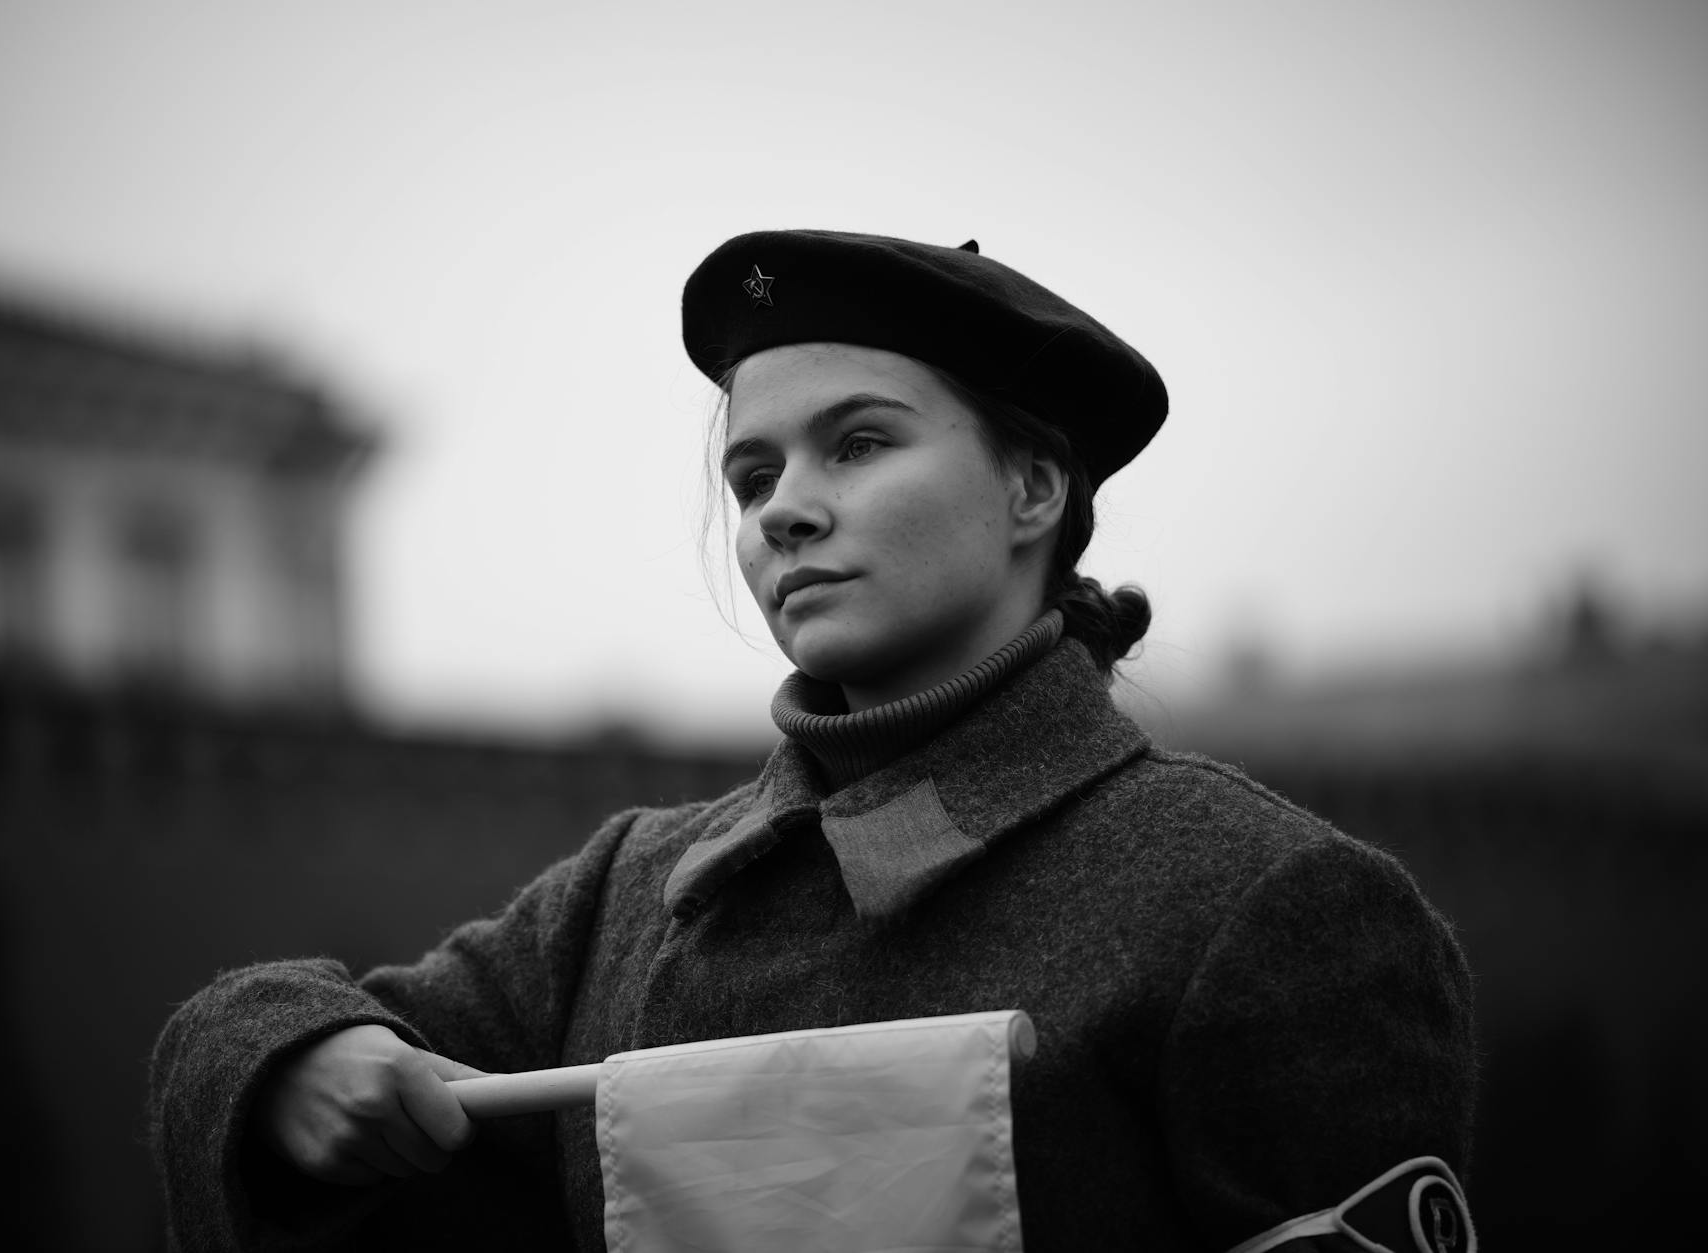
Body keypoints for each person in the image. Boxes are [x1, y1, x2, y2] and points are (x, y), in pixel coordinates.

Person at [151, 230, 1478, 1252]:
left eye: (857, 444)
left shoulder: (1263, 897)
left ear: (1032, 486)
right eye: (754, 475)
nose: (786, 510)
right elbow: (262, 1022)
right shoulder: (628, 898)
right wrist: (293, 1066)